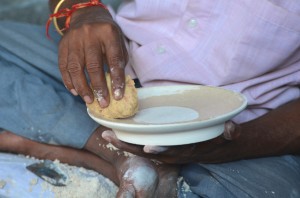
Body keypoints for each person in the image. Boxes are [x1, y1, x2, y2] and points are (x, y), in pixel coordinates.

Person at [0, 0, 299, 197]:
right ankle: (117, 154)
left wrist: (234, 146)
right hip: (119, 64)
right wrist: (84, 12)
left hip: (241, 124)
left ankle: (73, 147)